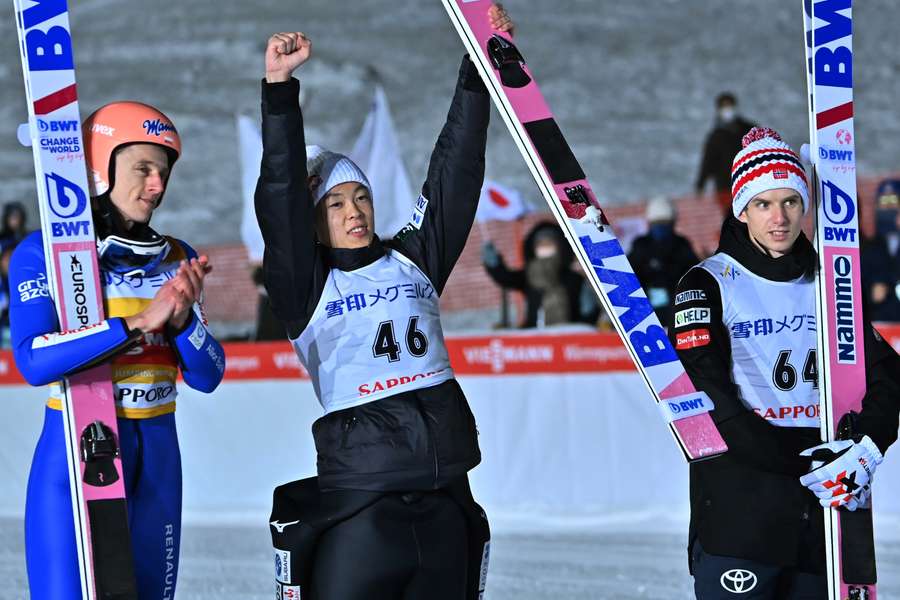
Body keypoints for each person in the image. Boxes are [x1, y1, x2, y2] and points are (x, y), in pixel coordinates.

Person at [255, 6, 512, 599]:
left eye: (361, 197)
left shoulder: (413, 258)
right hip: (363, 505)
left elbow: (455, 172)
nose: (355, 212)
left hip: (447, 491)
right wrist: (279, 95)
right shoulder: (304, 285)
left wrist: (478, 69)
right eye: (336, 204)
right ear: (313, 222)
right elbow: (279, 193)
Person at [670, 127, 900, 598]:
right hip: (741, 516)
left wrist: (867, 447)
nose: (780, 218)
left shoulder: (829, 283)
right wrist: (805, 459)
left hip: (825, 517)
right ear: (742, 210)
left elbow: (887, 374)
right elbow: (708, 401)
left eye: (791, 202)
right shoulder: (707, 283)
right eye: (763, 204)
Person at [10, 101, 225, 598]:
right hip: (76, 450)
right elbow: (34, 359)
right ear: (98, 168)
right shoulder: (42, 254)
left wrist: (180, 321)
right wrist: (133, 323)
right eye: (143, 169)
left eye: (164, 171)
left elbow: (208, 374)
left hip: (159, 453)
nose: (158, 185)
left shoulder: (179, 257)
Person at [482, 221, 598, 328]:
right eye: (540, 245)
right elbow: (505, 278)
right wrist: (494, 262)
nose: (544, 249)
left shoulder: (574, 279)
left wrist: (583, 328)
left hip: (568, 335)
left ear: (560, 247)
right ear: (533, 249)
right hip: (535, 337)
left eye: (549, 244)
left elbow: (589, 310)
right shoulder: (528, 275)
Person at [626, 196, 699, 327]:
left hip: (677, 306)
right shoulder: (641, 245)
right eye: (657, 223)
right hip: (646, 304)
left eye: (665, 222)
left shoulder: (681, 244)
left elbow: (693, 273)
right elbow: (630, 275)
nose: (661, 227)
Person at [695, 92, 757, 210]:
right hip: (725, 187)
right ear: (719, 110)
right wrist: (700, 184)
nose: (728, 110)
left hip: (750, 182)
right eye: (724, 107)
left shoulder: (749, 129)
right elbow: (708, 161)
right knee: (731, 218)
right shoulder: (716, 136)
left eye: (730, 106)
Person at [861, 178, 900, 322]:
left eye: (894, 202)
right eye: (884, 203)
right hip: (881, 326)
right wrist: (871, 294)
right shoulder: (869, 249)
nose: (889, 208)